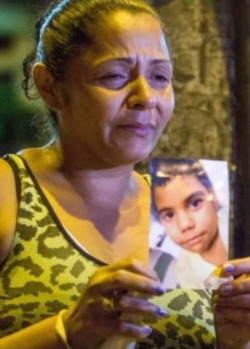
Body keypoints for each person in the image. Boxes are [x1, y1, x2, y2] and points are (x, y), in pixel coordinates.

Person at [0, 0, 249, 348]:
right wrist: (67, 332)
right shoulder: (10, 191)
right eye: (115, 76)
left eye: (160, 77)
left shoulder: (181, 205)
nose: (146, 97)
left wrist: (235, 339)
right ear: (50, 86)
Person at [150, 157, 228, 289]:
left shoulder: (238, 221)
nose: (185, 225)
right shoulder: (184, 273)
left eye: (195, 203)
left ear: (213, 198)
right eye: (169, 215)